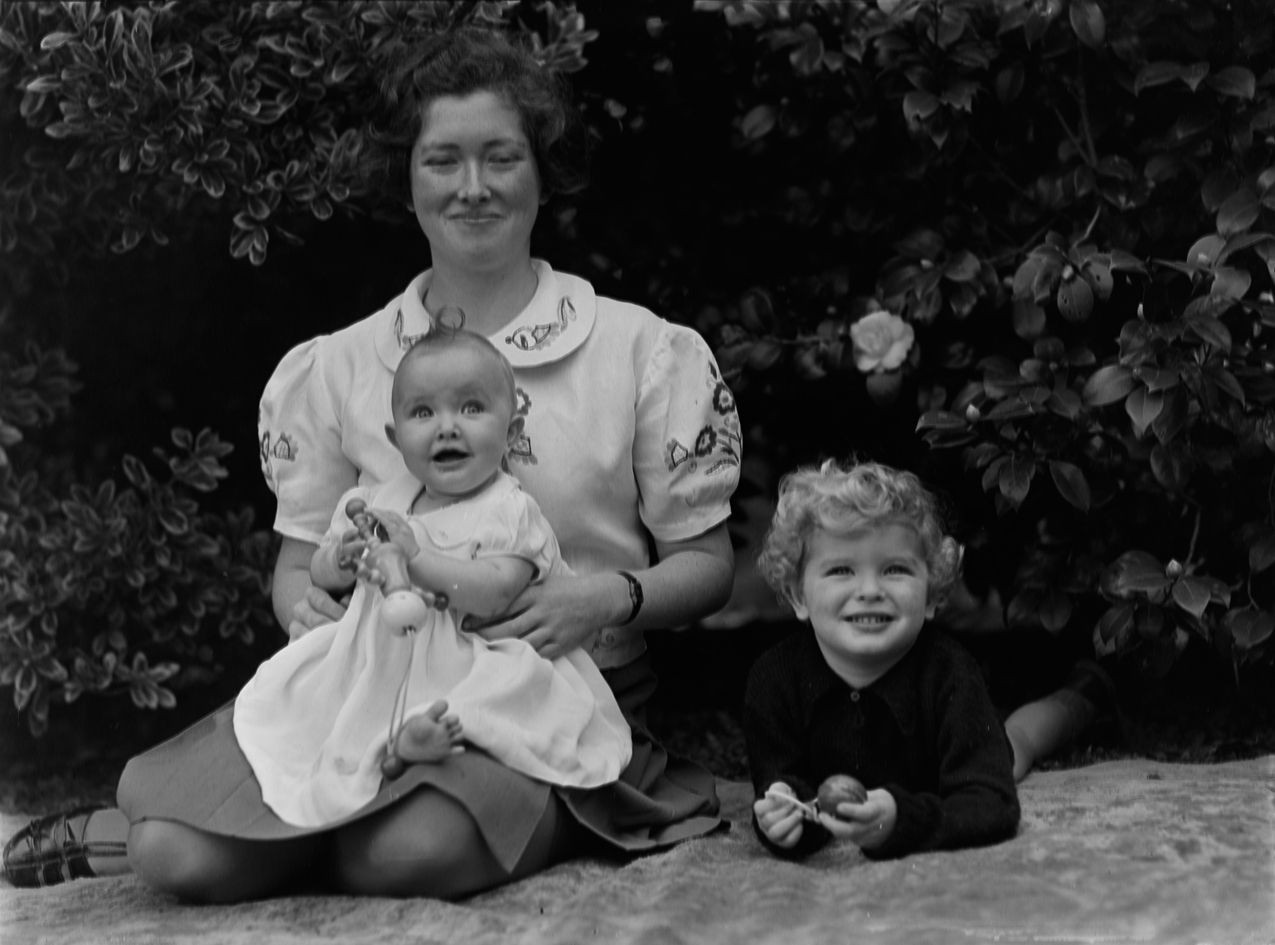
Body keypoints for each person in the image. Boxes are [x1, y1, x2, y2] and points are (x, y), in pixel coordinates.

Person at [3, 26, 738, 898]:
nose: (473, 188)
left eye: (501, 157)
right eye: (442, 161)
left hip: (556, 700)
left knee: (406, 855)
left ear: (542, 173)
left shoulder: (641, 349)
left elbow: (709, 566)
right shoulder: (339, 366)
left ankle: (317, 833)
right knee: (174, 858)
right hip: (364, 692)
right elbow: (296, 571)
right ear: (407, 177)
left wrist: (606, 596)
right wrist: (312, 603)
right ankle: (229, 823)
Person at [234, 329, 632, 831]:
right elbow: (318, 569)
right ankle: (391, 744)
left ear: (511, 433)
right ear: (397, 439)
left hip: (475, 655)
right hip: (383, 660)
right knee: (321, 711)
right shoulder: (379, 499)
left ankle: (414, 741)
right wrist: (339, 560)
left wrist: (417, 558)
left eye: (471, 408)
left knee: (486, 703)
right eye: (423, 413)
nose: (447, 428)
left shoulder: (508, 509)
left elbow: (495, 589)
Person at [745, 460, 1020, 860]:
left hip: (962, 759)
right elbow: (781, 782)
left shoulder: (951, 675)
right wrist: (784, 818)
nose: (870, 590)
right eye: (841, 570)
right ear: (798, 597)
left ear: (931, 596)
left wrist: (902, 822)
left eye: (895, 570)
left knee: (1020, 746)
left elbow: (993, 803)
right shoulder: (774, 679)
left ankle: (1082, 695)